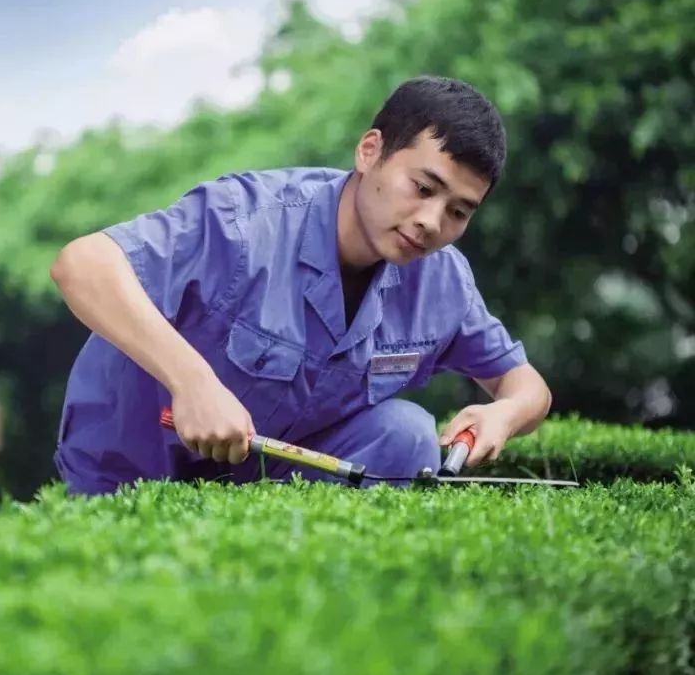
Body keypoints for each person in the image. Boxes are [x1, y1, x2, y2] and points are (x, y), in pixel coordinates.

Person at [49, 76, 552, 497]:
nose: (431, 222)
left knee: (407, 435)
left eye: (459, 211)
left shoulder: (442, 282)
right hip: (128, 470)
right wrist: (193, 383)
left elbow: (527, 386)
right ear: (370, 150)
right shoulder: (244, 220)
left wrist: (504, 416)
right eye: (423, 188)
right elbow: (83, 264)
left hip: (264, 483)